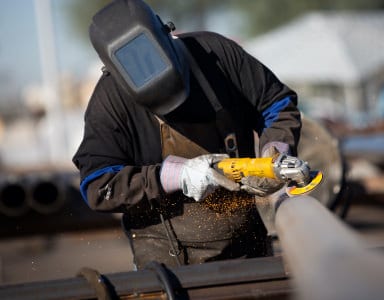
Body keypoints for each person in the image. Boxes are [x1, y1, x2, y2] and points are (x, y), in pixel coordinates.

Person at [72, 0, 301, 269]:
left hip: (247, 247)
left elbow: (275, 102)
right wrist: (174, 176)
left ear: (166, 33)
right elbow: (97, 185)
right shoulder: (109, 104)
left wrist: (275, 152)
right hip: (167, 265)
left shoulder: (216, 55)